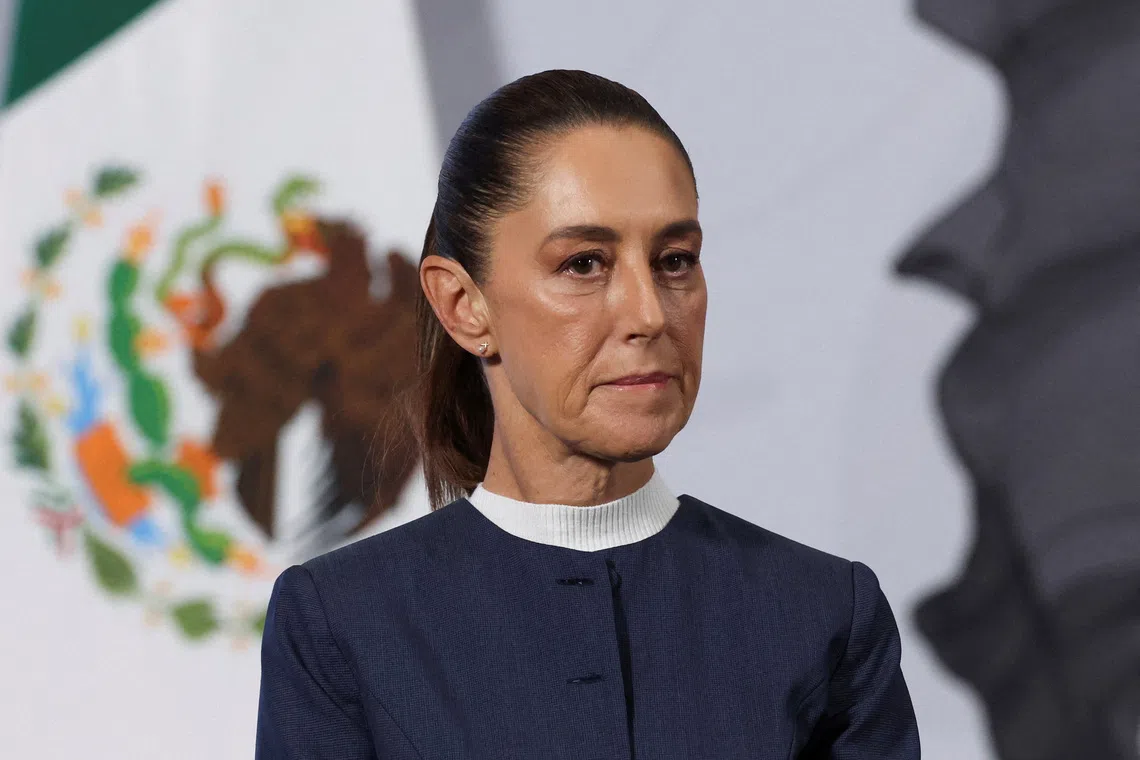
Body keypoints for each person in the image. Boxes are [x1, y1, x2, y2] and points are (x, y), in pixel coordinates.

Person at [254, 69, 920, 759]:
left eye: (674, 260)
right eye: (583, 264)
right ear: (461, 304)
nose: (649, 313)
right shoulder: (342, 626)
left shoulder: (824, 615)